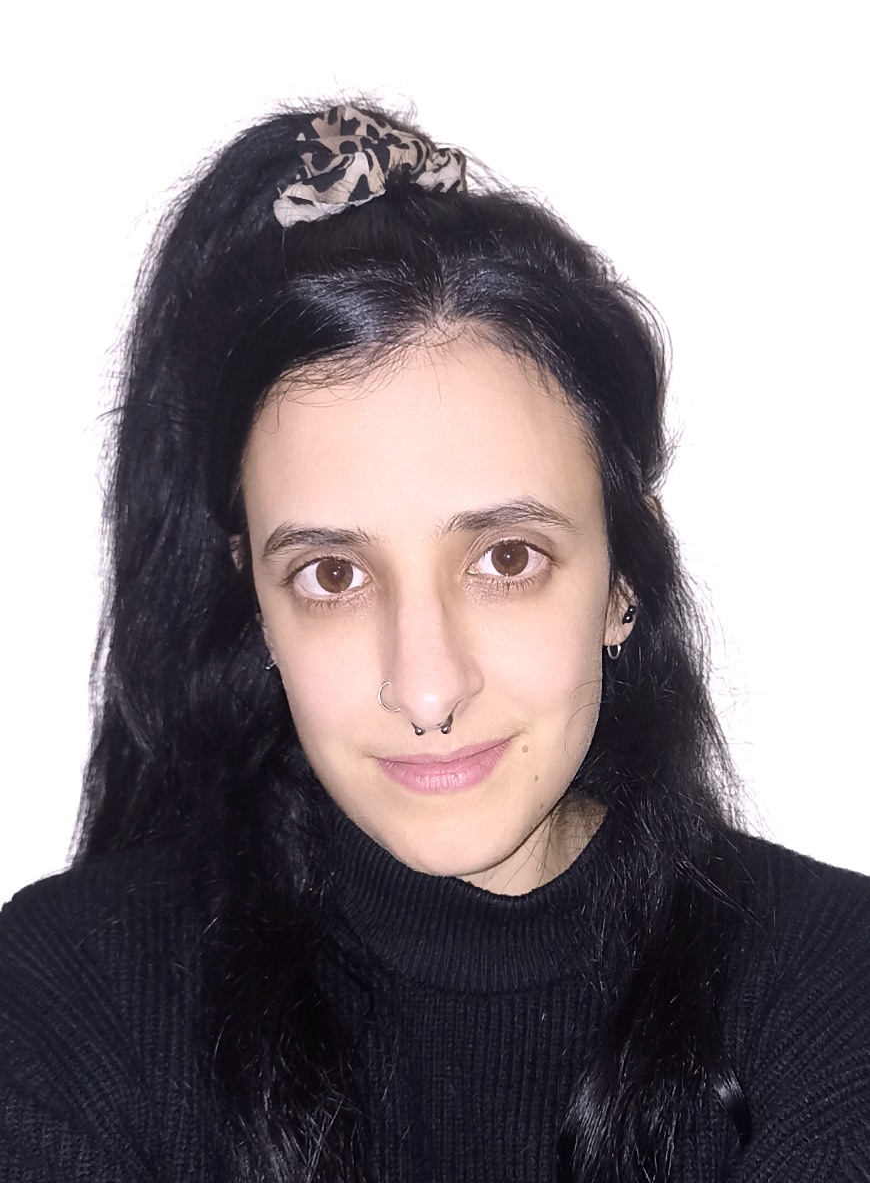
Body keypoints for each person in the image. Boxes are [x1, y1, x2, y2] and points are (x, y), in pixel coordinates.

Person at [0, 103, 868, 1183]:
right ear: (255, 599)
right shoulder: (69, 1004)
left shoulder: (835, 991)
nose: (426, 688)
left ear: (625, 577)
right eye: (332, 575)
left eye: (506, 558)